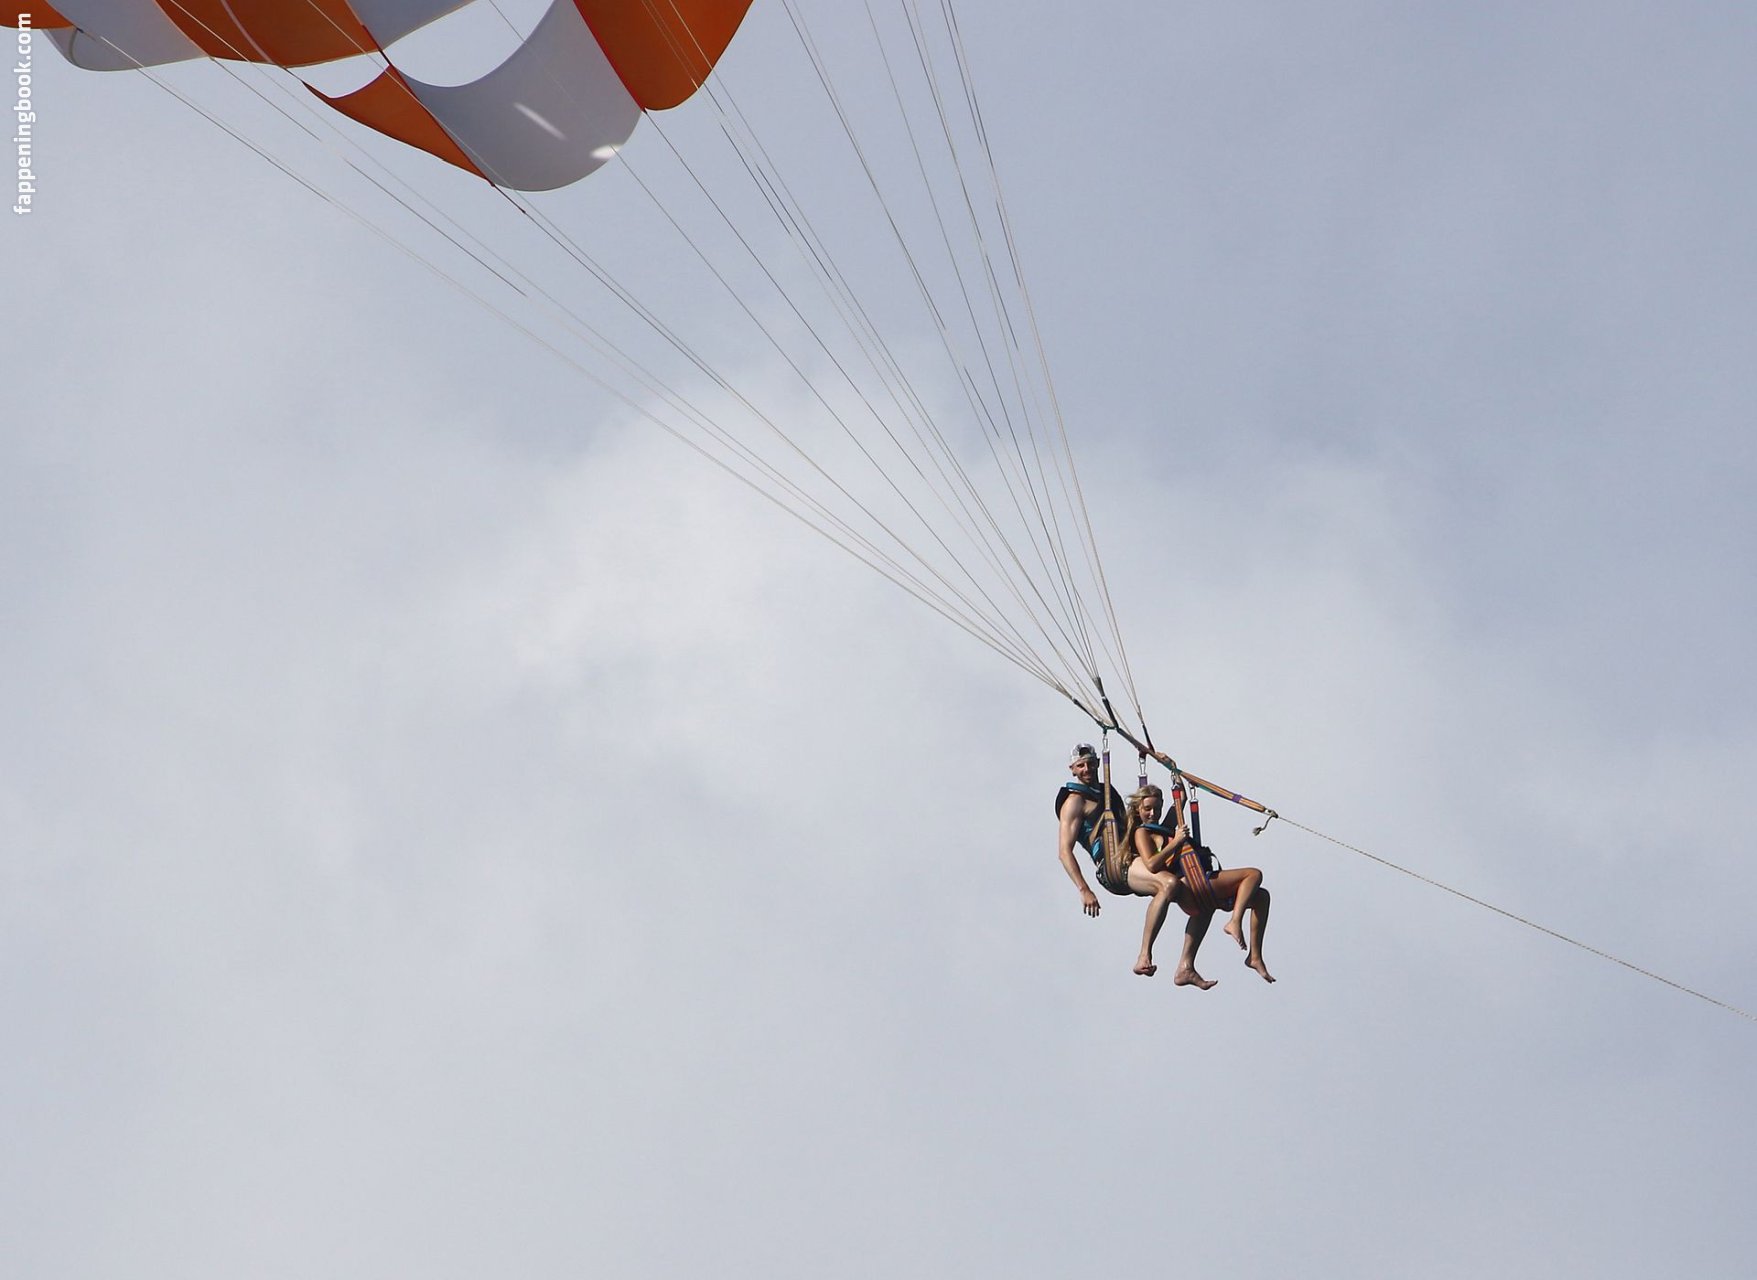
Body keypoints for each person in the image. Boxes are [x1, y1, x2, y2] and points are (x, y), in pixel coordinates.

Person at [1055, 744, 1214, 982]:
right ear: (1073, 769)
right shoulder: (1074, 802)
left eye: (1090, 763)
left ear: (1097, 763)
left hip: (1134, 860)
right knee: (1169, 884)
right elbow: (1064, 852)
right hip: (1113, 867)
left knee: (1203, 901)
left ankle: (1186, 967)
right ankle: (1143, 957)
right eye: (1081, 765)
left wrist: (1174, 773)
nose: (1086, 769)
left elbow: (1169, 812)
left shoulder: (1107, 793)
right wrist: (1084, 889)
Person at [1125, 780, 1275, 984]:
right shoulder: (1142, 832)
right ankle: (1235, 921)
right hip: (1190, 885)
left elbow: (1181, 797)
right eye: (1147, 809)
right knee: (1253, 875)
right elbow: (1151, 864)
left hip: (1199, 891)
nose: (1153, 813)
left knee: (1261, 897)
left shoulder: (1164, 828)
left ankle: (1252, 957)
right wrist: (1177, 842)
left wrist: (1175, 772)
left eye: (1157, 808)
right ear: (1138, 809)